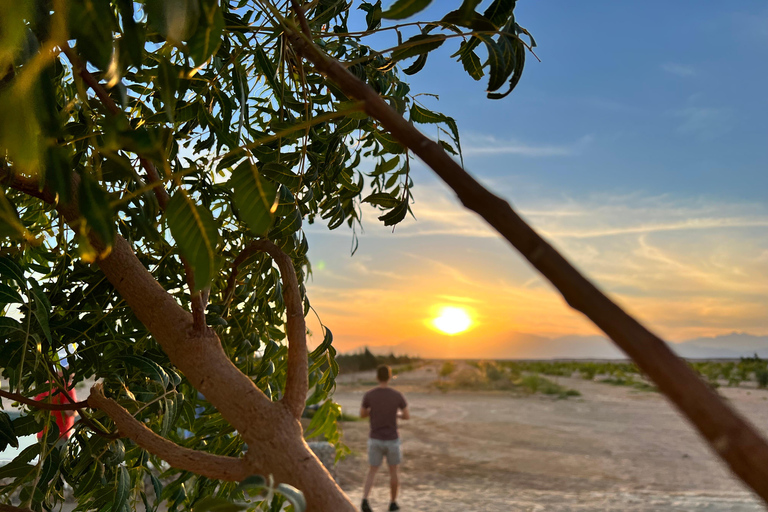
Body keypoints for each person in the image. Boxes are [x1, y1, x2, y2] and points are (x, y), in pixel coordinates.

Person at [360, 365, 409, 512]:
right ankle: (393, 503)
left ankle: (365, 500)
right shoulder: (397, 395)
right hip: (392, 439)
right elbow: (406, 415)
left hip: (375, 438)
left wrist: (373, 413)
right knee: (393, 471)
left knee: (372, 471)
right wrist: (396, 415)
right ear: (390, 377)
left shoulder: (369, 395)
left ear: (377, 377)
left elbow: (362, 414)